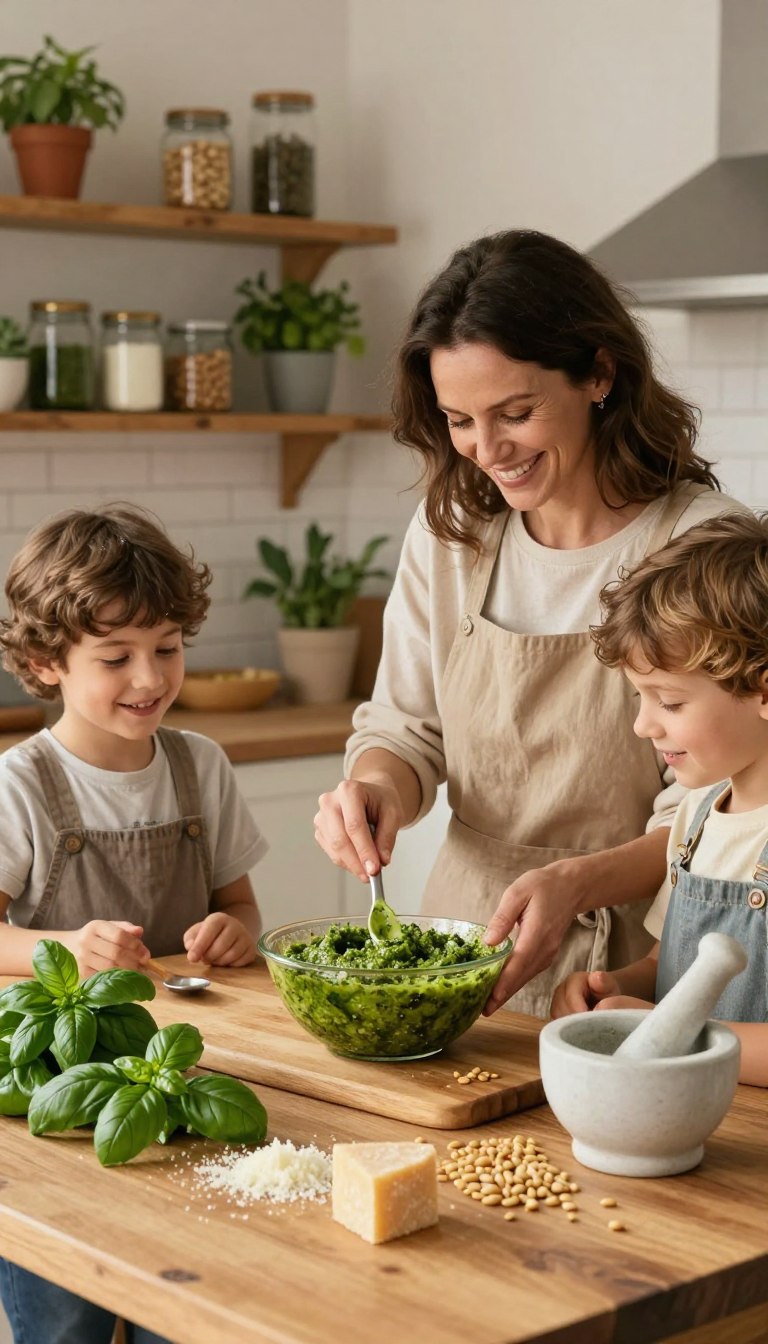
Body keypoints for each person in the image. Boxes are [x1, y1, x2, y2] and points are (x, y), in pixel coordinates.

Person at [314, 228, 744, 1018]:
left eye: (515, 412)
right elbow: (408, 728)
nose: (487, 449)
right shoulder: (450, 534)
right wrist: (375, 789)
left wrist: (577, 880)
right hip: (465, 946)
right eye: (459, 419)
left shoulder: (700, 544)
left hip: (635, 968)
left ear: (599, 374)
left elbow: (722, 808)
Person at [0, 504, 268, 1344]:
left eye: (168, 649)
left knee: (186, 1309)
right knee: (64, 1319)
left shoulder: (201, 766)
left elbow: (241, 906)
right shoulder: (22, 784)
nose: (149, 678)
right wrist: (63, 949)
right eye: (116, 658)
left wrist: (236, 931)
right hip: (64, 1092)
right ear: (46, 663)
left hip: (187, 1073)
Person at [551, 513, 768, 1087]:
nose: (644, 725)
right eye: (640, 699)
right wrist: (617, 988)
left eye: (669, 703)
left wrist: (679, 1037)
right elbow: (667, 970)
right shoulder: (695, 816)